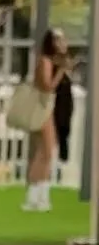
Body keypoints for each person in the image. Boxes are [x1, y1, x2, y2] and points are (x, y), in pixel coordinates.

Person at [24, 26, 66, 209]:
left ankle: (34, 197)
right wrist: (61, 72)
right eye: (59, 40)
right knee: (47, 152)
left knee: (43, 153)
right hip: (42, 108)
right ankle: (40, 197)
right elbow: (48, 86)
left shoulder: (47, 60)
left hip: (43, 108)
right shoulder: (46, 61)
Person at [52, 33, 74, 180]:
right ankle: (56, 168)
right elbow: (52, 84)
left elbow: (69, 71)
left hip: (66, 104)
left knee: (64, 134)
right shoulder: (53, 62)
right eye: (60, 42)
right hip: (57, 104)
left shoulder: (65, 60)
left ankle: (62, 165)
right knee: (57, 133)